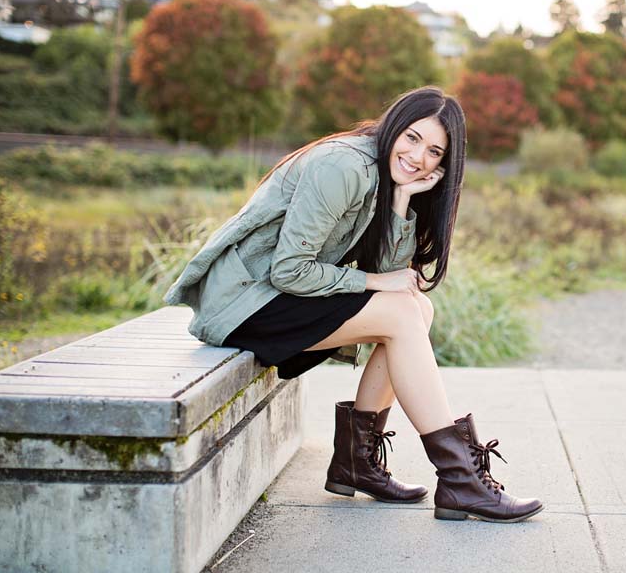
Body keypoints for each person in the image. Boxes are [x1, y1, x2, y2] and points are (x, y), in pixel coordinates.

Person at [163, 86, 544, 523]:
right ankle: (459, 478)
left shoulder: (386, 175)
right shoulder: (343, 165)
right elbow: (289, 270)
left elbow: (394, 281)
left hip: (277, 296)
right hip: (245, 303)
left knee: (417, 309)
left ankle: (357, 463)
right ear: (394, 125)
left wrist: (401, 201)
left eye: (435, 152)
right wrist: (377, 279)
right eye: (413, 138)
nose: (419, 157)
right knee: (404, 314)